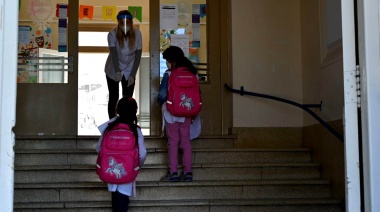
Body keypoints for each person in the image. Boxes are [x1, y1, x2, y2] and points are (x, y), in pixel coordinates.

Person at [96, 97, 147, 212]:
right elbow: (142, 153)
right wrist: (136, 164)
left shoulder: (109, 128)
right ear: (135, 111)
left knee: (116, 204)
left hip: (110, 174)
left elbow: (98, 148)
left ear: (118, 110)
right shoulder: (135, 130)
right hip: (127, 175)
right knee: (122, 204)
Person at [157, 46, 198, 182]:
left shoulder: (169, 74)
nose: (168, 63)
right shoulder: (192, 72)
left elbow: (162, 95)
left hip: (171, 113)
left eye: (168, 60)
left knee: (173, 142)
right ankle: (188, 172)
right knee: (186, 142)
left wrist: (161, 103)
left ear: (172, 61)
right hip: (187, 112)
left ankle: (173, 172)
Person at [104, 10, 143, 119]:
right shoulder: (112, 34)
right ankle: (112, 122)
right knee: (114, 96)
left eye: (127, 22)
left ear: (131, 22)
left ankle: (127, 122)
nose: (125, 25)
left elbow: (138, 56)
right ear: (118, 23)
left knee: (127, 98)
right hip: (113, 68)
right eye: (122, 23)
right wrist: (117, 71)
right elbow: (114, 54)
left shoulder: (137, 34)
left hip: (130, 68)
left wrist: (132, 74)